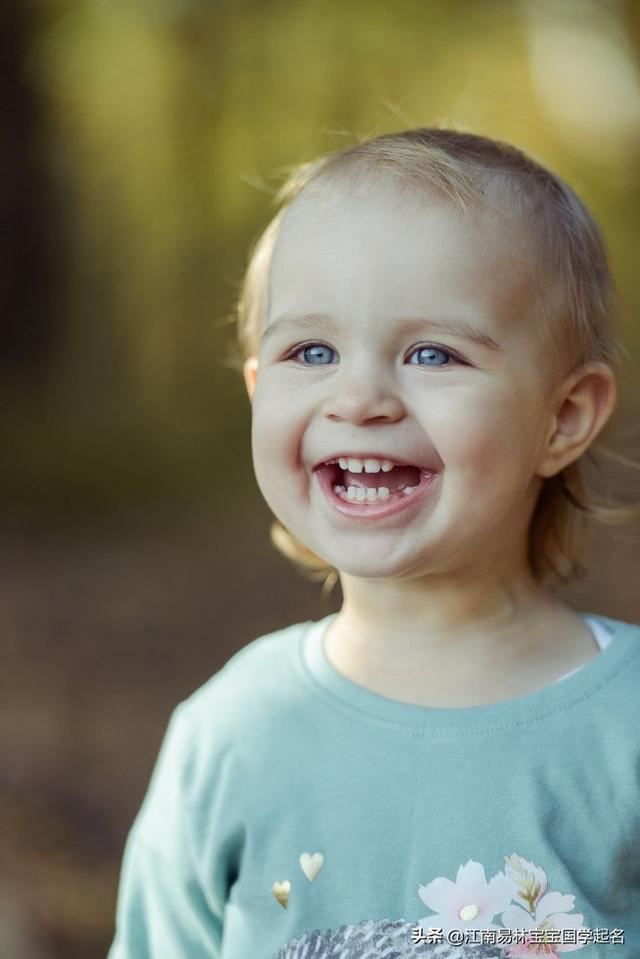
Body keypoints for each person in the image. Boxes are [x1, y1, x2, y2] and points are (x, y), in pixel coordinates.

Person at [107, 129, 640, 959]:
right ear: (258, 389)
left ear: (562, 418)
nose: (358, 397)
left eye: (433, 352)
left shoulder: (624, 729)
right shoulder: (232, 733)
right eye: (310, 351)